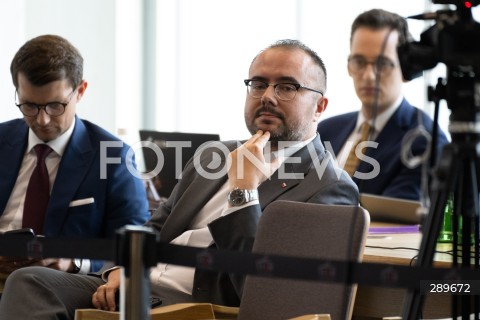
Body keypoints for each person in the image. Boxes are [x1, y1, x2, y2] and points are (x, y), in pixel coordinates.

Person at [0, 39, 358, 319]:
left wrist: (243, 192)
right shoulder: (214, 155)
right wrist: (121, 270)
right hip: (138, 287)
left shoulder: (328, 186)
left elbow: (265, 289)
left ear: (320, 107)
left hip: (200, 304)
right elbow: (154, 227)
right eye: (258, 83)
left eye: (287, 87)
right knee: (30, 282)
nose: (266, 96)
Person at [0, 34, 150, 283]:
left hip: (54, 288)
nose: (42, 120)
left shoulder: (113, 157)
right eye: (29, 106)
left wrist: (74, 262)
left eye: (55, 106)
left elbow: (134, 246)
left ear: (80, 91)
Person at [317, 9, 449, 201]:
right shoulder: (325, 130)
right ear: (348, 66)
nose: (369, 76)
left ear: (406, 69)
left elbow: (396, 218)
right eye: (359, 62)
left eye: (382, 64)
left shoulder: (424, 140)